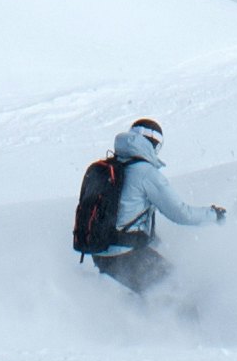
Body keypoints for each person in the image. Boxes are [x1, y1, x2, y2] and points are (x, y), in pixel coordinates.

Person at [79, 117, 222, 295]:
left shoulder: (109, 167)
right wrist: (213, 215)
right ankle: (184, 323)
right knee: (178, 289)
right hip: (125, 255)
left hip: (100, 253)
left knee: (154, 293)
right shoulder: (146, 173)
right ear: (152, 144)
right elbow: (181, 214)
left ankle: (142, 319)